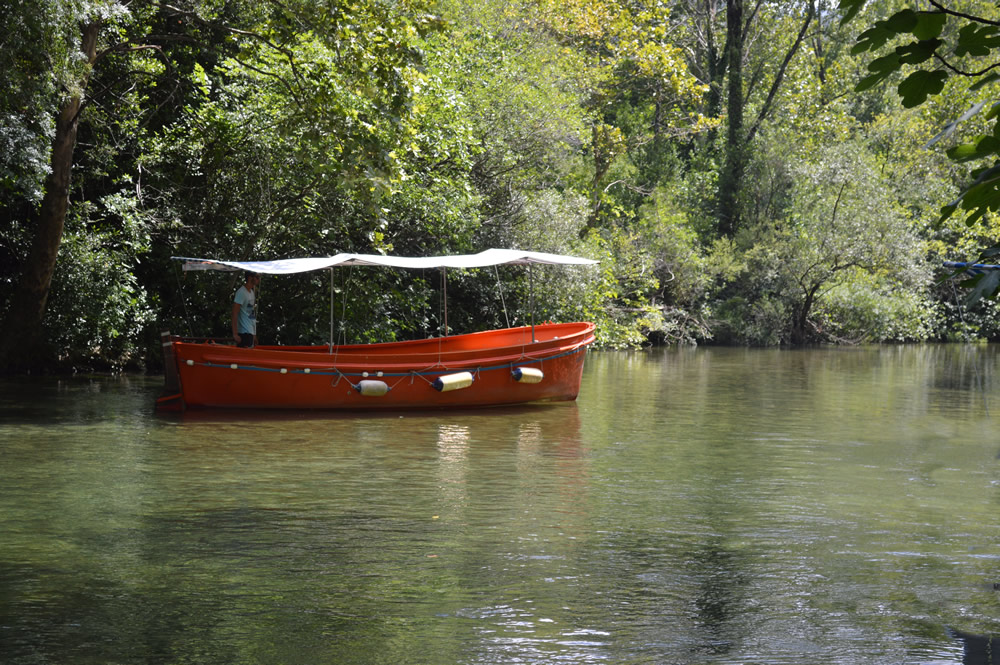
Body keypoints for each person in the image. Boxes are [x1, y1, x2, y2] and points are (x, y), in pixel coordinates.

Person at [232, 271, 260, 347]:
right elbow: (235, 312)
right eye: (257, 277)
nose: (259, 280)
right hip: (243, 333)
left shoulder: (251, 292)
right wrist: (235, 334)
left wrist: (254, 334)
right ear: (250, 278)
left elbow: (251, 313)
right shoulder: (241, 292)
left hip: (250, 333)